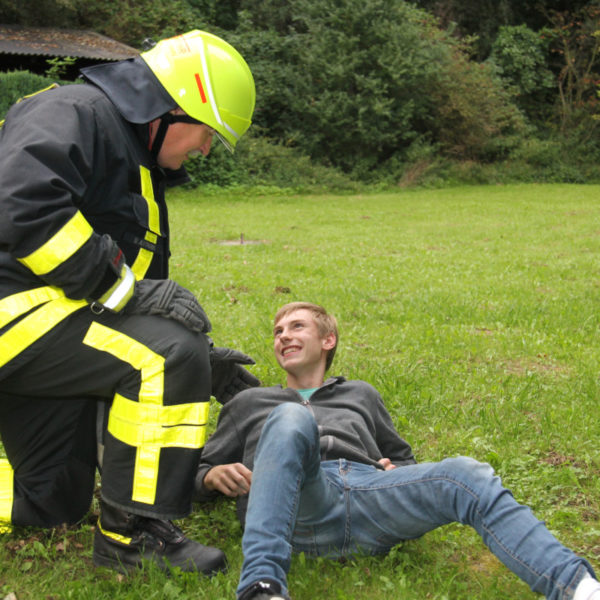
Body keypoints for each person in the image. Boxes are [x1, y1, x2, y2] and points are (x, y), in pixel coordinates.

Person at [0, 30, 259, 575]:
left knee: (51, 504)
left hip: (37, 328)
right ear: (170, 107)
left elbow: (134, 306)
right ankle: (132, 537)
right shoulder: (75, 109)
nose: (206, 149)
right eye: (207, 132)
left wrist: (208, 362)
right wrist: (167, 330)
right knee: (165, 356)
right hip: (12, 315)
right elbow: (25, 211)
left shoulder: (134, 164)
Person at [194, 301, 600, 600]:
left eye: (296, 327)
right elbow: (192, 473)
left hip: (371, 498)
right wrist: (211, 475)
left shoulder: (361, 394)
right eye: (278, 332)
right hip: (301, 503)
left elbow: (404, 460)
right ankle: (262, 587)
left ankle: (578, 587)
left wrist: (394, 469)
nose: (283, 336)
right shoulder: (248, 403)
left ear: (327, 340)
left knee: (467, 473)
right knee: (289, 418)